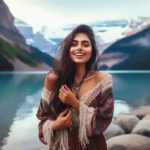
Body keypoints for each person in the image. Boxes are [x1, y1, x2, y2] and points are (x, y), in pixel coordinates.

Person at [36, 24, 114, 150]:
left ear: (92, 50)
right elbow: (43, 116)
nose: (79, 48)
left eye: (85, 44)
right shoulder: (53, 79)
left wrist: (76, 104)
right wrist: (55, 125)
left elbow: (104, 120)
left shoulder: (103, 80)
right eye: (74, 44)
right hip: (62, 146)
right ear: (68, 49)